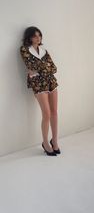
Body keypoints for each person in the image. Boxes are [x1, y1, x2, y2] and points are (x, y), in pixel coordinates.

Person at [20, 26, 61, 156]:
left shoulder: (44, 51)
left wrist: (39, 70)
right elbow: (30, 66)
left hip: (51, 81)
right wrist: (43, 68)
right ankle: (45, 143)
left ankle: (54, 141)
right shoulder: (24, 50)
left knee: (54, 112)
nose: (38, 38)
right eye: (35, 36)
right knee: (47, 114)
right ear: (29, 37)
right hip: (38, 84)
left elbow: (54, 68)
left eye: (39, 35)